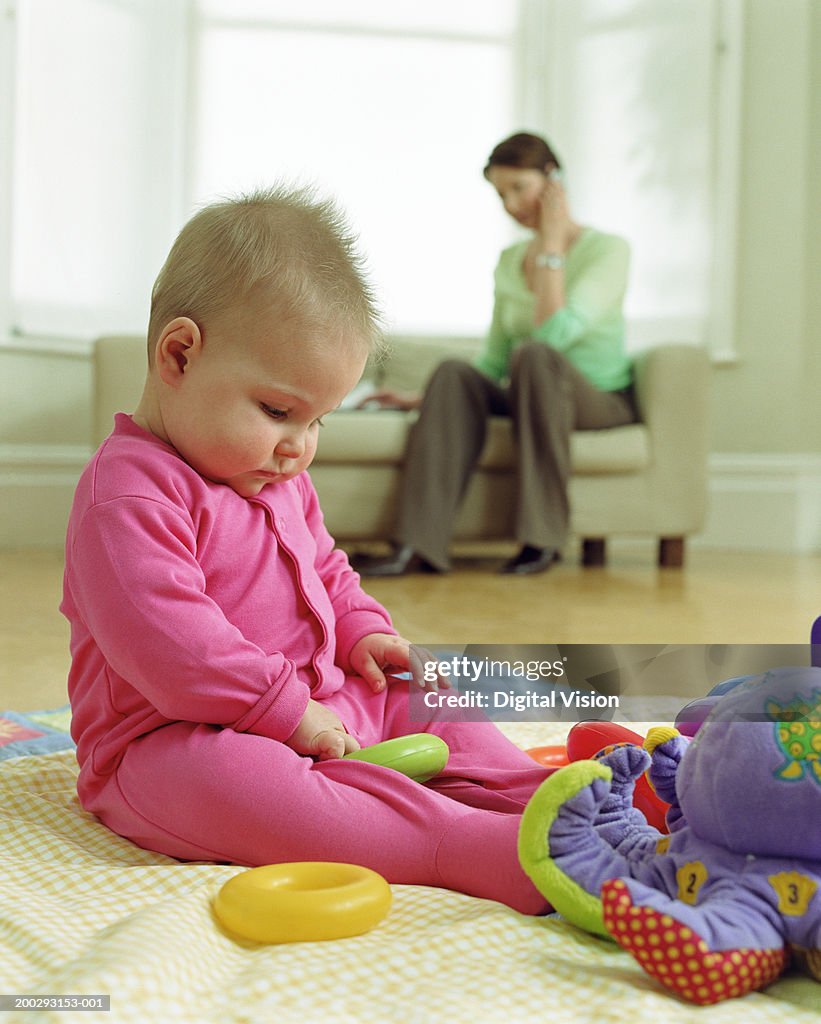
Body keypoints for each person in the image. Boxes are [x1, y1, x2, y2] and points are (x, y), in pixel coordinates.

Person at [60, 185, 556, 914]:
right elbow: (174, 648)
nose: (299, 447)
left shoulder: (276, 472)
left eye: (319, 419)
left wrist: (363, 629)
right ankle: (451, 845)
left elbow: (327, 567)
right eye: (278, 411)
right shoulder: (128, 495)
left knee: (429, 691)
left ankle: (540, 795)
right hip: (172, 742)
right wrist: (285, 714)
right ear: (179, 354)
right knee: (240, 784)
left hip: (318, 702)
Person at [353, 132, 635, 577]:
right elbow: (495, 359)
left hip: (596, 399)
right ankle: (417, 546)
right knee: (453, 372)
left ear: (553, 180)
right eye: (501, 194)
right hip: (526, 386)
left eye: (519, 188)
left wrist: (553, 247)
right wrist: (419, 397)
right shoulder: (509, 260)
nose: (510, 205)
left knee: (536, 355)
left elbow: (554, 332)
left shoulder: (609, 250)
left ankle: (541, 540)